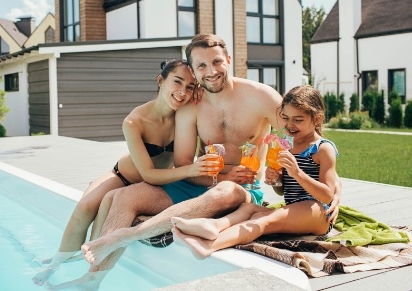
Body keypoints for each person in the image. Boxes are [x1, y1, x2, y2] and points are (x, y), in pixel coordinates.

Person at [44, 34, 332, 291]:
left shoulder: (261, 97)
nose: (211, 71)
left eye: (216, 62)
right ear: (193, 70)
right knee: (124, 195)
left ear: (228, 60)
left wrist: (327, 184)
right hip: (203, 181)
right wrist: (219, 174)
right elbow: (184, 165)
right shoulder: (191, 108)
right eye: (202, 66)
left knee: (227, 191)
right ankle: (93, 280)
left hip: (243, 188)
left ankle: (123, 236)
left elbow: (301, 134)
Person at [33, 59, 219, 285]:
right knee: (84, 207)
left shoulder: (185, 115)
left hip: (155, 183)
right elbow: (149, 174)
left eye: (190, 87)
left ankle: (87, 262)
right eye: (177, 82)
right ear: (161, 81)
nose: (182, 92)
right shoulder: (135, 121)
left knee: (104, 219)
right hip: (123, 176)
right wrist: (191, 169)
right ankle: (55, 264)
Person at [171, 85, 339, 259]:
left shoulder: (323, 149)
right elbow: (283, 191)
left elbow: (326, 195)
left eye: (298, 120)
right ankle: (213, 226)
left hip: (317, 211)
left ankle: (209, 246)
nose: (290, 125)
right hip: (295, 209)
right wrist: (278, 180)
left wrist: (297, 173)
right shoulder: (288, 146)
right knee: (249, 208)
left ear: (317, 118)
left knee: (262, 220)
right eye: (285, 118)